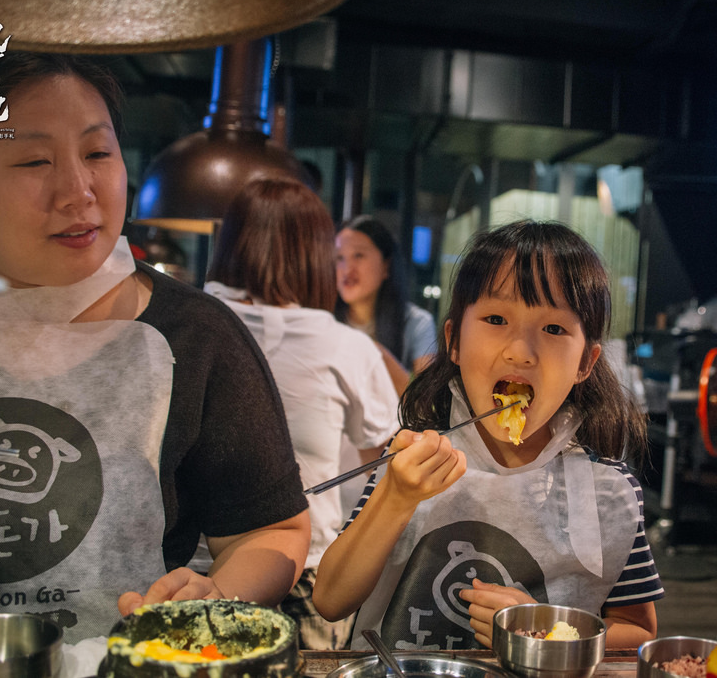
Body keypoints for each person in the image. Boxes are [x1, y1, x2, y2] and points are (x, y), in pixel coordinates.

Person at [0, 51, 310, 644]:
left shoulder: (194, 334)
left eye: (96, 153)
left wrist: (214, 595)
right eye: (35, 160)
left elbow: (269, 531)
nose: (78, 191)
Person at [314, 220, 662, 651]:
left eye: (554, 329)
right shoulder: (413, 458)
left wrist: (541, 627)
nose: (520, 351)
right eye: (496, 319)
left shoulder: (608, 490)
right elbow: (330, 600)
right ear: (454, 341)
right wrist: (396, 498)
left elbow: (640, 630)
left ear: (585, 364)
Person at [204, 178, 400, 649]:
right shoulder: (345, 346)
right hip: (304, 574)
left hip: (190, 574)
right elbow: (384, 469)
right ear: (316, 256)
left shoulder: (191, 322)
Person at [335, 215, 437, 394]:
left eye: (358, 255)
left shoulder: (416, 323)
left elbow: (429, 403)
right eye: (339, 258)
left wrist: (376, 354)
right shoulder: (325, 319)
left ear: (386, 266)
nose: (347, 268)